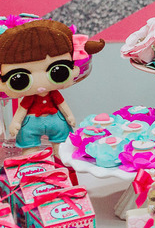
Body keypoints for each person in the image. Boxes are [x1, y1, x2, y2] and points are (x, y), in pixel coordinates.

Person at [0, 18, 103, 154]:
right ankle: (32, 159)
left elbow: (63, 105)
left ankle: (61, 157)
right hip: (31, 125)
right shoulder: (29, 98)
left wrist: (70, 117)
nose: (41, 84)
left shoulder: (53, 94)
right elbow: (21, 111)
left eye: (59, 72)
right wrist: (15, 124)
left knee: (62, 148)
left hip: (57, 123)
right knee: (30, 148)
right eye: (19, 80)